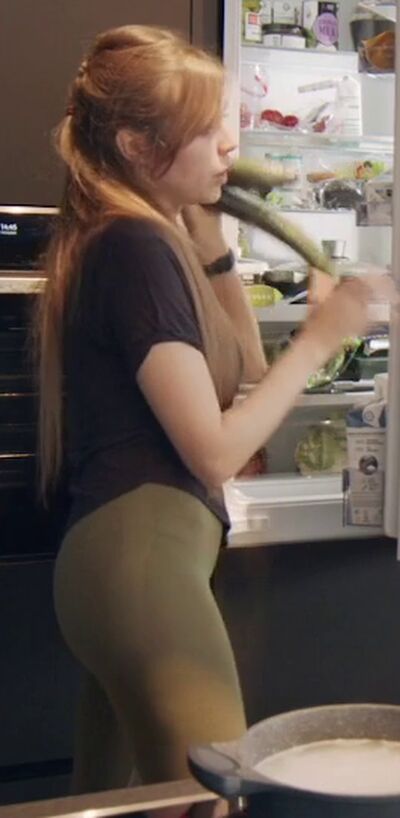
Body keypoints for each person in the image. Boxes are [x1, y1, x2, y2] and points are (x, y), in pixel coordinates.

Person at [37, 23, 395, 803]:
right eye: (206, 129)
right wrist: (323, 337)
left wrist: (213, 243)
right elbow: (214, 450)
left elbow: (248, 374)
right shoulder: (133, 247)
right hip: (141, 561)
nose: (230, 145)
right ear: (138, 146)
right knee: (214, 799)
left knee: (125, 801)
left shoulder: (141, 239)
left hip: (117, 567)